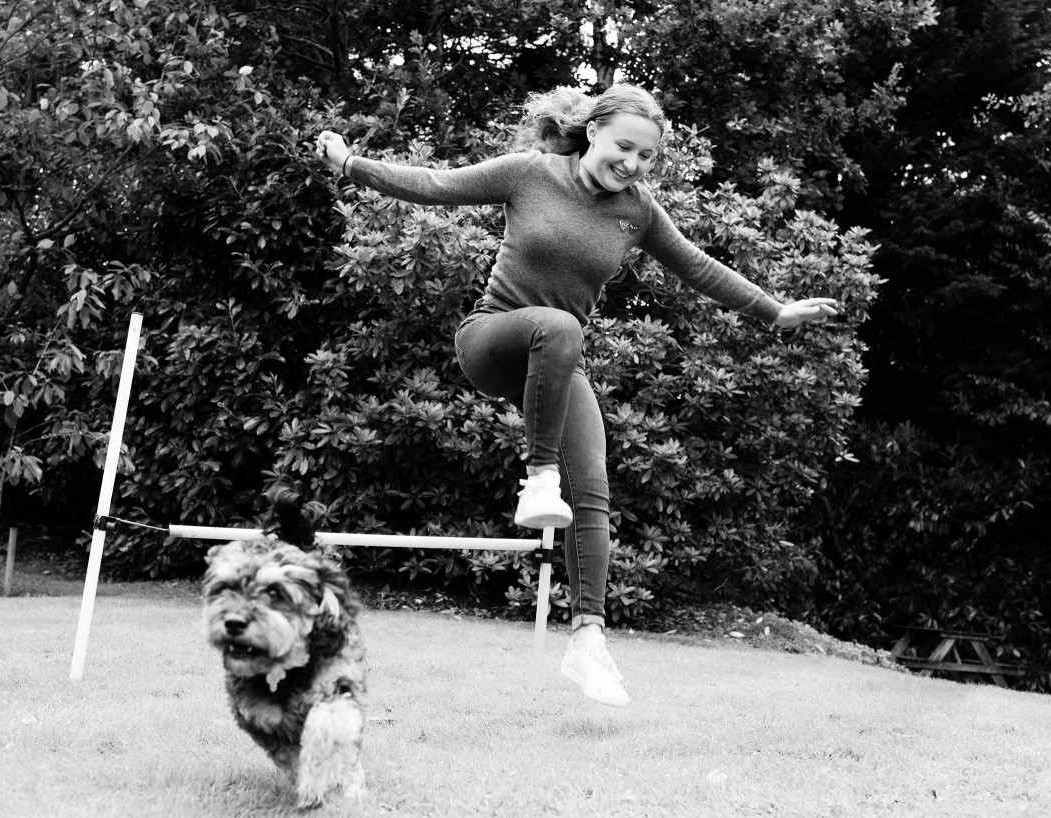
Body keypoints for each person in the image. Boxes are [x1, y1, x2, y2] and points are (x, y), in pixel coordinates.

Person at [314, 84, 838, 707]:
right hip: (492, 340)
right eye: (624, 147)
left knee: (592, 483)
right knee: (559, 326)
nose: (633, 165)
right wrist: (351, 164)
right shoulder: (530, 174)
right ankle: (537, 479)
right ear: (593, 132)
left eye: (646, 157)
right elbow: (435, 184)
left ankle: (587, 640)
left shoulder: (637, 211)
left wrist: (773, 311)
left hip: (557, 366)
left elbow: (698, 266)